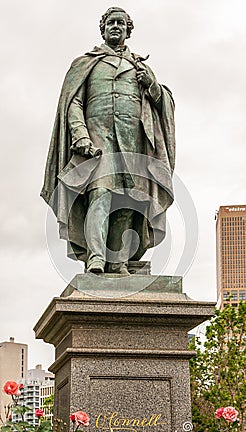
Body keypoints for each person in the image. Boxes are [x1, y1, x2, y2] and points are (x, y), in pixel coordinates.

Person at [41, 6, 175, 275]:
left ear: (128, 30)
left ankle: (119, 261)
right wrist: (80, 133)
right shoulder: (86, 63)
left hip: (133, 140)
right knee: (100, 194)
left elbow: (165, 105)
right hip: (98, 139)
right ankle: (96, 258)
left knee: (128, 199)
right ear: (103, 29)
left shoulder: (141, 68)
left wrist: (152, 85)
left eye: (121, 24)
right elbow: (73, 102)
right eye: (111, 23)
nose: (116, 27)